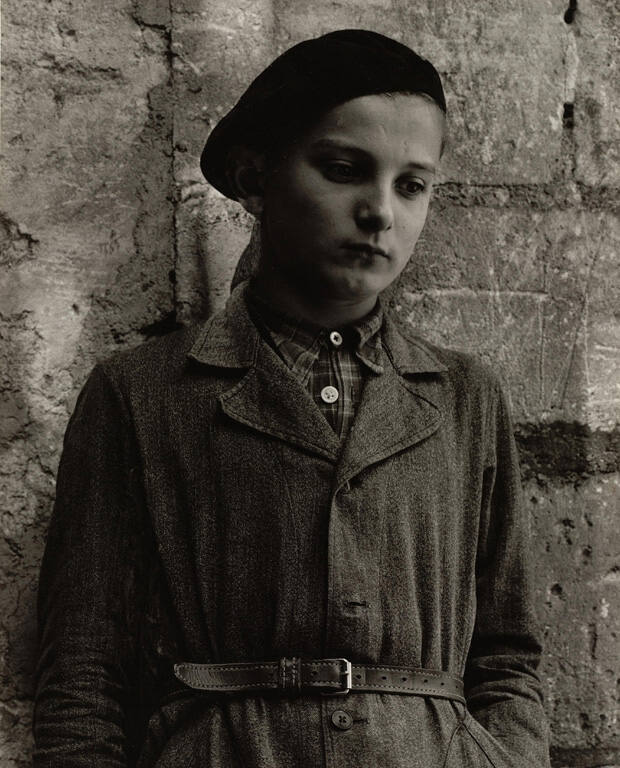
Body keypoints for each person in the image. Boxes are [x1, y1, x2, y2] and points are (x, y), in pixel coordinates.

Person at [33, 29, 550, 767]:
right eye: (343, 170)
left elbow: (508, 655)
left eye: (412, 185)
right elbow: (83, 672)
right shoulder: (141, 393)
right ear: (255, 176)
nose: (380, 212)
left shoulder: (466, 397)